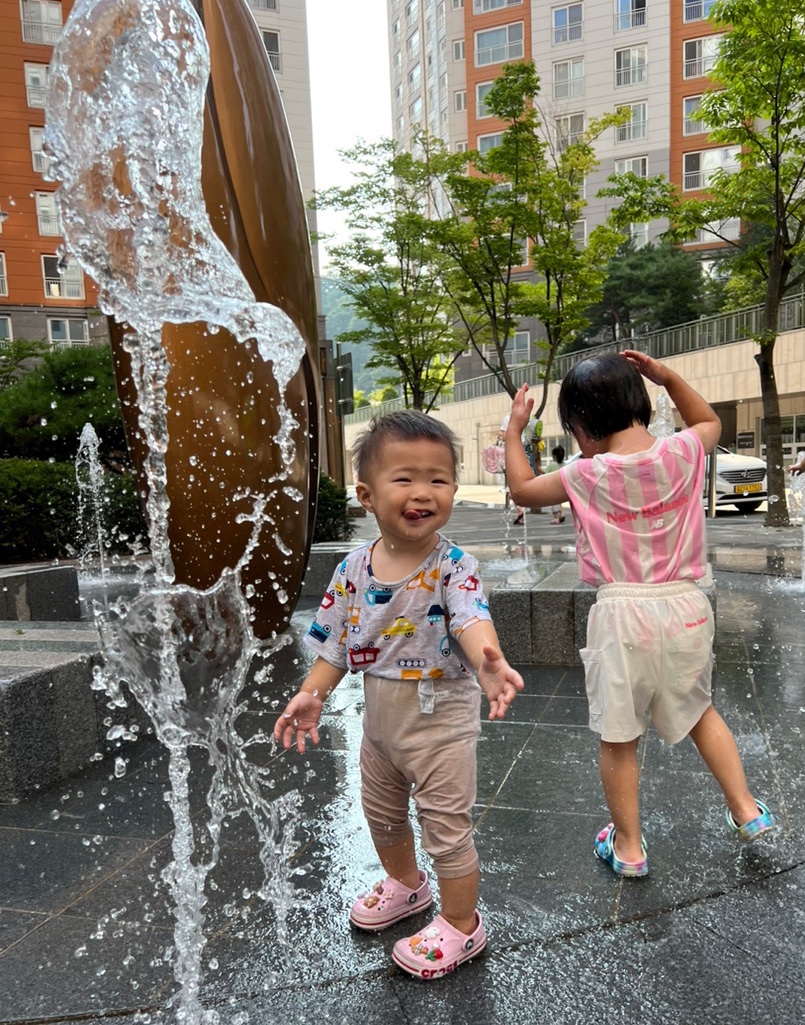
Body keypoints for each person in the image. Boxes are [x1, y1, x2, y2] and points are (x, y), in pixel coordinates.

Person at [504, 351, 774, 878]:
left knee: (619, 733)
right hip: (687, 604)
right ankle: (745, 809)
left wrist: (514, 431)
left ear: (580, 428)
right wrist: (668, 376)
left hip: (623, 611)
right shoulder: (682, 452)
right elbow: (709, 421)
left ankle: (628, 847)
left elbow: (521, 490)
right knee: (700, 710)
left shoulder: (585, 473)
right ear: (642, 404)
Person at [274, 410, 524, 977]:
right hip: (380, 723)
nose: (423, 492)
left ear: (454, 490)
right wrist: (314, 691)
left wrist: (490, 664)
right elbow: (335, 642)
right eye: (404, 478)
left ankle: (463, 925)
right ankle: (407, 887)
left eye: (438, 479)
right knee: (382, 814)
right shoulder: (352, 568)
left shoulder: (452, 566)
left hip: (440, 722)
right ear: (366, 493)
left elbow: (470, 621)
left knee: (446, 829)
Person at [544, 445, 566, 524]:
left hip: (553, 487)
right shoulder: (564, 464)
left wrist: (538, 467)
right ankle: (561, 514)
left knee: (554, 502)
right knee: (559, 502)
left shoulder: (552, 465)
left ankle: (556, 518)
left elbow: (544, 473)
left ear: (554, 456)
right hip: (563, 486)